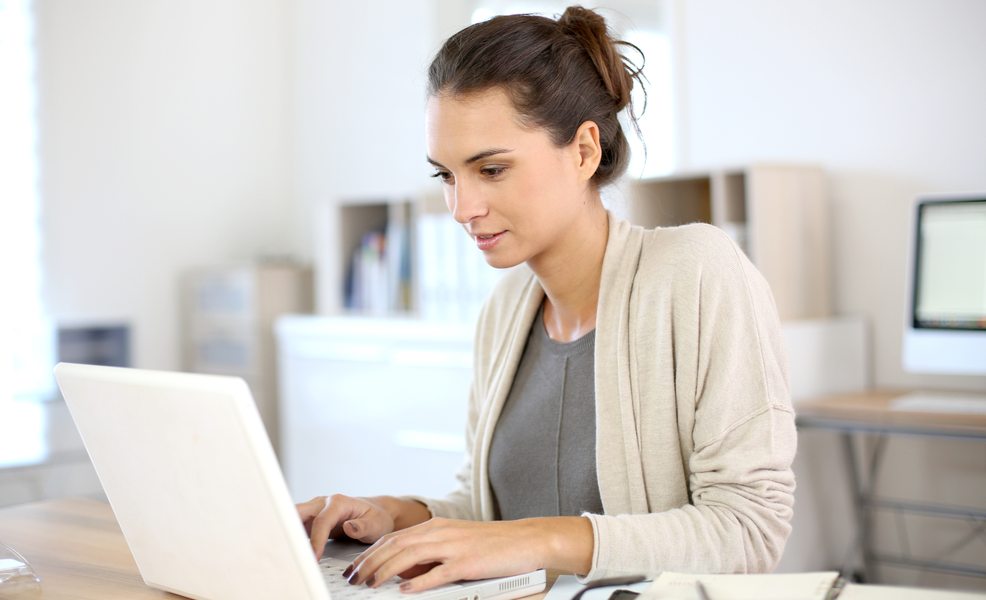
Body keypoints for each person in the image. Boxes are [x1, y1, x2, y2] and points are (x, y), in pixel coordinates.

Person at [297, 5, 796, 593]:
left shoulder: (696, 273)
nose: (462, 208)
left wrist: (536, 539)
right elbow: (490, 511)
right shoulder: (506, 310)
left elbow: (749, 530)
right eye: (447, 176)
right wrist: (399, 516)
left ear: (584, 151)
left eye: (491, 169)